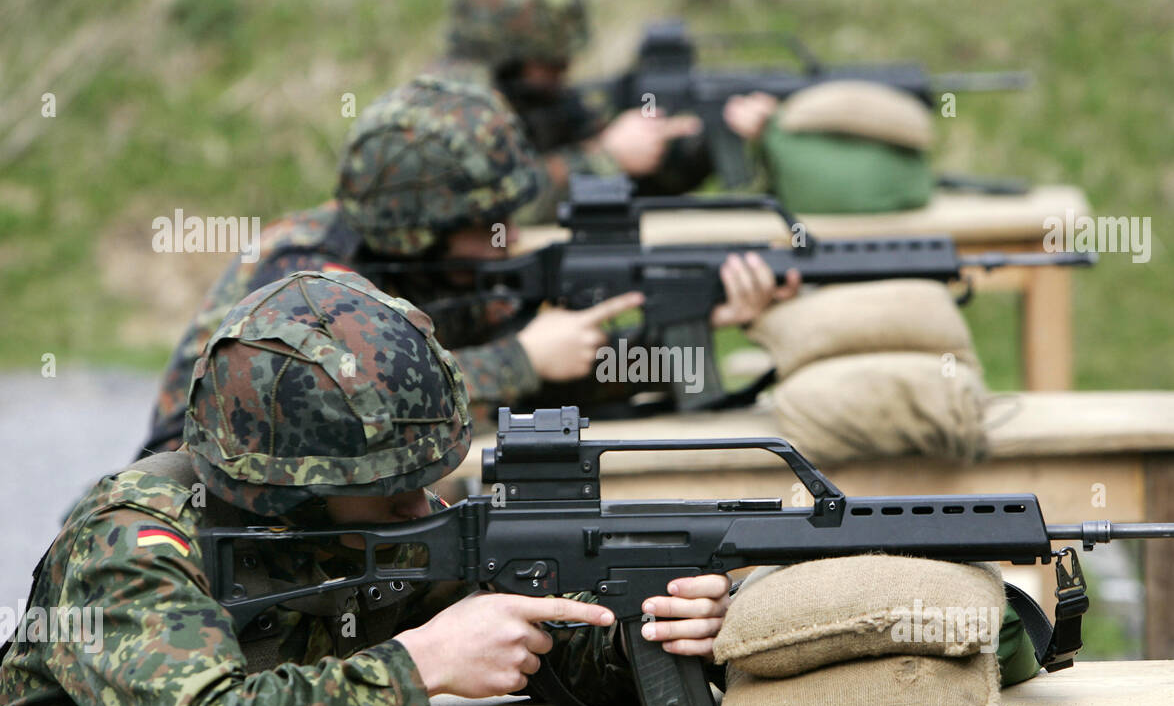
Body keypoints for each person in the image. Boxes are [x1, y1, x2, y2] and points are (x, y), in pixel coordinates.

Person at [0, 271, 732, 706]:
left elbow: (554, 651)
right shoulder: (132, 548)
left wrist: (644, 629)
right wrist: (421, 662)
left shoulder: (376, 526)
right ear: (287, 499)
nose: (420, 507)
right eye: (384, 493)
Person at [140, 76, 796, 454]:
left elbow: (545, 379)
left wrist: (690, 327)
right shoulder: (306, 277)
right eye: (483, 228)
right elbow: (335, 413)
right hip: (205, 492)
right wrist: (520, 360)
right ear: (415, 234)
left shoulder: (447, 272)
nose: (505, 240)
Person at [437, 0, 779, 219]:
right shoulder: (452, 110)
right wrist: (606, 158)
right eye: (551, 60)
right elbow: (498, 209)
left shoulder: (540, 98)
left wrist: (701, 138)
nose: (564, 69)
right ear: (507, 54)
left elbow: (644, 186)